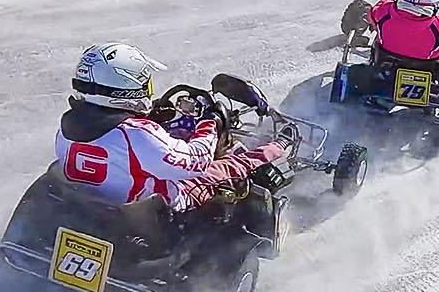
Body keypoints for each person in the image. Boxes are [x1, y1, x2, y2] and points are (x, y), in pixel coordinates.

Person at [56, 42, 284, 213]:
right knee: (225, 166)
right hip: (148, 218)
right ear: (125, 86)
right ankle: (280, 146)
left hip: (90, 209)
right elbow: (198, 160)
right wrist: (210, 122)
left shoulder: (66, 128)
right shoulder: (137, 134)